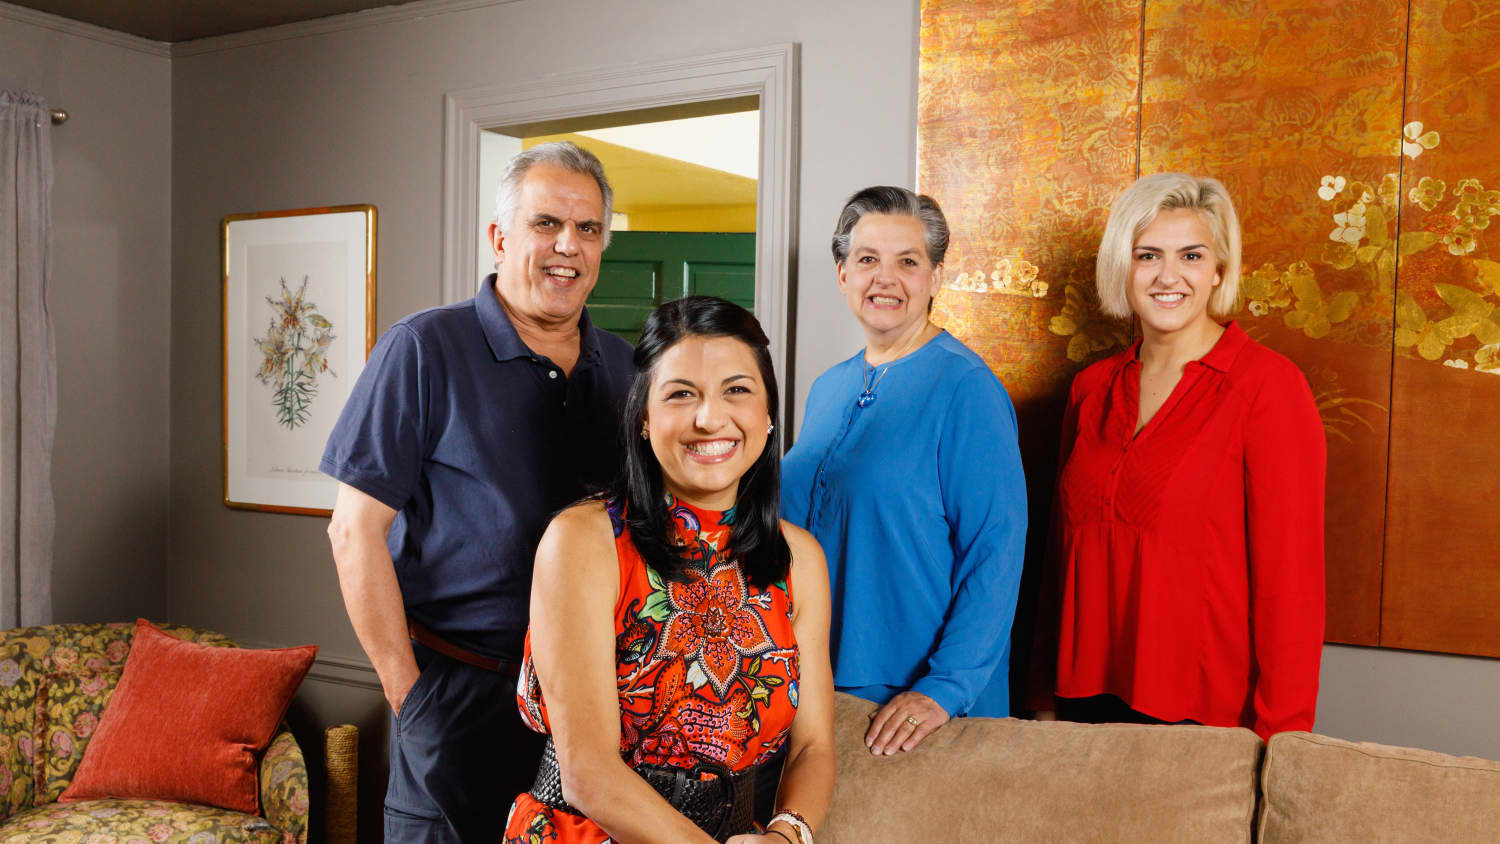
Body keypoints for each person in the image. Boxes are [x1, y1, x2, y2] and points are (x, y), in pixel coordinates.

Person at [321, 141, 634, 842]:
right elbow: (352, 531)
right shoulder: (423, 348)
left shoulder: (624, 364)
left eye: (587, 230)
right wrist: (413, 699)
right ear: (499, 237)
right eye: (546, 224)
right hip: (463, 693)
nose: (568, 247)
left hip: (592, 701)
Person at [503, 296, 835, 844]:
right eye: (682, 394)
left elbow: (813, 747)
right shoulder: (584, 541)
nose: (710, 418)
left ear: (768, 415)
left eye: (737, 390)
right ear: (643, 418)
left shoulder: (798, 558)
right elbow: (587, 773)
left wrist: (785, 834)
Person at [1029, 173, 1326, 739]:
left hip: (1205, 722)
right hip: (1078, 711)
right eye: (1148, 255)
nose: (1169, 276)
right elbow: (1057, 560)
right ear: (1123, 268)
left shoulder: (1268, 388)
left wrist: (1283, 742)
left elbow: (1293, 587)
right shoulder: (1090, 389)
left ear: (1218, 270)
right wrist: (1043, 694)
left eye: (1191, 255)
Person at [780, 186, 1027, 756]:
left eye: (908, 262)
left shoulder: (967, 389)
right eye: (867, 259)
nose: (885, 278)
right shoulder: (828, 388)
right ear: (843, 274)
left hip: (917, 706)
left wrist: (946, 688)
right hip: (820, 685)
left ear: (935, 277)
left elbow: (997, 551)